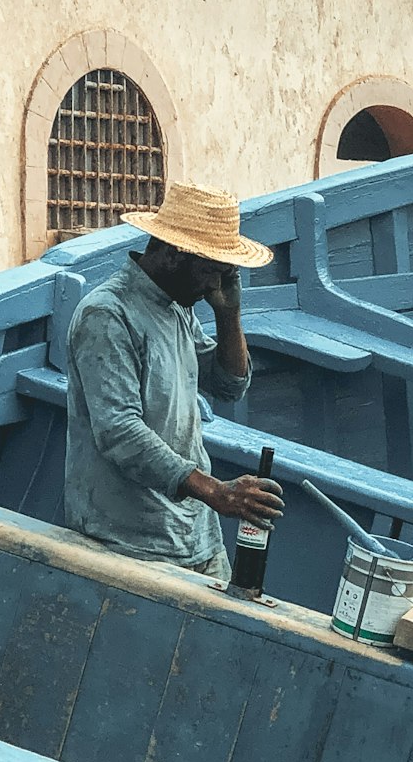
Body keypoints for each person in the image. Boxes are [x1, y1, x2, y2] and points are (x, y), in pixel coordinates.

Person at [64, 181, 283, 578]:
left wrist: (228, 314)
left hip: (196, 534)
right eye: (210, 273)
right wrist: (217, 492)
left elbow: (229, 385)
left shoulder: (178, 307)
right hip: (131, 544)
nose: (213, 287)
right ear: (172, 255)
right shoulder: (107, 314)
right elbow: (119, 432)